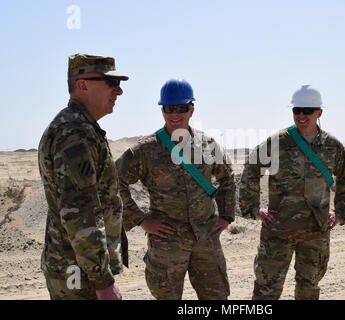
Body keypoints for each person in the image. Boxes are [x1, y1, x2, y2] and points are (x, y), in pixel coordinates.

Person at [115, 78, 235, 300]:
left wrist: (226, 216)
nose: (175, 114)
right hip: (167, 241)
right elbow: (114, 182)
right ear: (162, 110)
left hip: (206, 239)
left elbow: (227, 179)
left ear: (192, 109)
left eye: (182, 108)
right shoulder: (146, 149)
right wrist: (141, 219)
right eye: (169, 108)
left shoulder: (207, 144)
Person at [239, 84, 345, 300]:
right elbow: (251, 168)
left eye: (307, 111)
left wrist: (341, 213)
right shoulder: (278, 142)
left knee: (309, 287)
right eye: (296, 111)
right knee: (267, 287)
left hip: (315, 231)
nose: (301, 116)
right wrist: (253, 209)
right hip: (278, 229)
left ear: (319, 113)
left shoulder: (332, 146)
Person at [38, 53, 129, 300]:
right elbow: (80, 214)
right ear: (82, 85)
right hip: (78, 272)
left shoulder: (81, 127)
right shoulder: (74, 134)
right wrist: (103, 281)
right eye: (110, 83)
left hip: (78, 265)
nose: (118, 91)